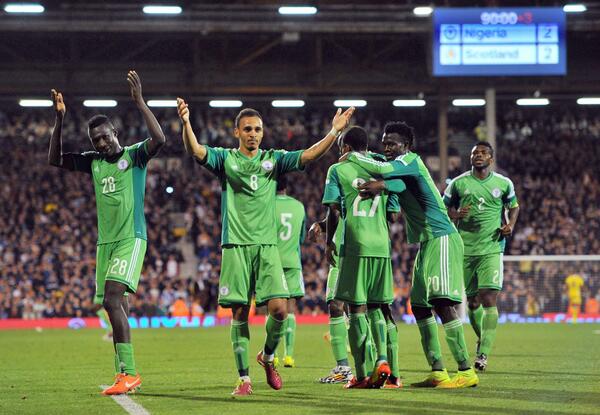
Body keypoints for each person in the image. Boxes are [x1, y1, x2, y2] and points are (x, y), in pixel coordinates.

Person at [177, 98, 354, 396]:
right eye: (247, 129)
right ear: (236, 132)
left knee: (280, 310)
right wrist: (186, 123)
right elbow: (195, 151)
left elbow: (308, 156)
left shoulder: (273, 159)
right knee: (239, 314)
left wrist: (334, 132)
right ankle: (244, 379)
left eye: (257, 129)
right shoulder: (225, 159)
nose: (253, 134)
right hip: (235, 245)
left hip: (267, 246)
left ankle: (268, 356)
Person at [48, 71, 165, 395]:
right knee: (114, 305)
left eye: (104, 136)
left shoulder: (134, 156)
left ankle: (129, 372)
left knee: (113, 298)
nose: (101, 143)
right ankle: (123, 375)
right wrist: (59, 120)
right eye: (95, 140)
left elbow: (160, 140)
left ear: (115, 133)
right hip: (106, 244)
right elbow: (54, 159)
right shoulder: (93, 162)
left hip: (131, 238)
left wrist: (140, 102)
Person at [345, 121, 479, 388]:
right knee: (419, 306)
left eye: (392, 143)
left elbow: (381, 169)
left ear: (406, 146)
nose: (387, 148)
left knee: (442, 302)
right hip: (426, 242)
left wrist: (351, 155)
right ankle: (438, 370)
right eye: (384, 143)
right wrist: (380, 185)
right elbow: (394, 184)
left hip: (441, 236)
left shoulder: (411, 161)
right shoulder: (400, 168)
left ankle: (466, 370)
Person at [322, 126, 401, 389]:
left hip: (354, 243)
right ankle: (382, 360)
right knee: (378, 306)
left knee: (356, 309)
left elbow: (333, 211)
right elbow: (393, 214)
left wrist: (328, 243)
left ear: (345, 147)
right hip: (381, 244)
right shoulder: (383, 167)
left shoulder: (338, 169)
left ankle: (361, 374)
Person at [443, 141, 520, 371]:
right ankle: (481, 338)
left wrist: (511, 224)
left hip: (492, 248)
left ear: (491, 159)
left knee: (488, 298)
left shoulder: (503, 183)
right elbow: (443, 208)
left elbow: (514, 206)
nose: (478, 155)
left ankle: (483, 354)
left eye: (483, 153)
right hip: (464, 250)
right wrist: (455, 214)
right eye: (475, 152)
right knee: (472, 301)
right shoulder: (458, 184)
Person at [274, 175, 306, 368]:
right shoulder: (299, 206)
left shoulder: (266, 206)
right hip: (293, 261)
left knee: (274, 308)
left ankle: (273, 355)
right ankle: (289, 356)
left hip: (272, 262)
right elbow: (301, 237)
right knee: (291, 307)